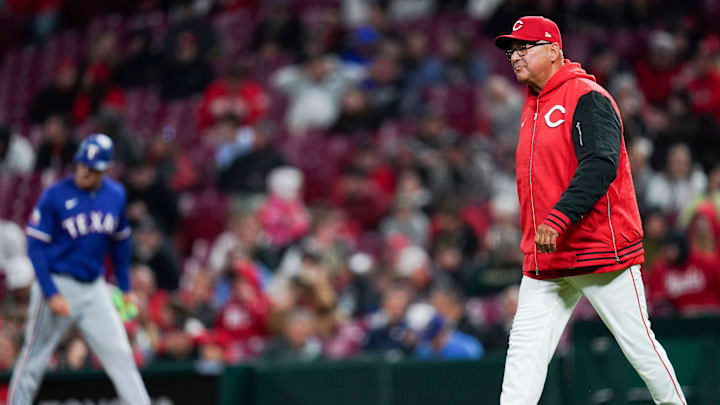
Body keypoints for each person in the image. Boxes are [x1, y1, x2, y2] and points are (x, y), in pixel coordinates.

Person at [493, 16, 687, 404]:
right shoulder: (532, 105)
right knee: (523, 357)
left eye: (525, 47)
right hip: (547, 258)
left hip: (599, 251)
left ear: (554, 51)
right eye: (512, 50)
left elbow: (601, 162)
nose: (516, 56)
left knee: (641, 350)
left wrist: (559, 216)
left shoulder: (585, 96)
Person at [8, 134, 150, 405]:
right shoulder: (55, 195)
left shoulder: (116, 194)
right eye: (82, 165)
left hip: (94, 288)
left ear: (105, 169)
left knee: (120, 354)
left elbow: (121, 245)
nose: (84, 171)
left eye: (92, 168)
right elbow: (36, 248)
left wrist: (126, 288)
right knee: (34, 358)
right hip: (58, 283)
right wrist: (50, 292)